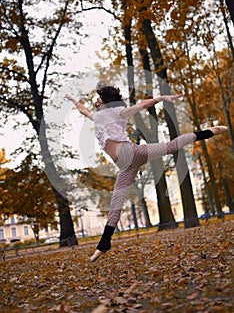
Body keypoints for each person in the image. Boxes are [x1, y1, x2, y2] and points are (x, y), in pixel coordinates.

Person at [65, 86, 228, 262]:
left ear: (105, 101)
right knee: (116, 203)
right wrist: (73, 100)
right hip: (126, 166)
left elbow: (141, 106)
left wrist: (161, 98)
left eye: (99, 99)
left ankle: (209, 132)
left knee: (171, 146)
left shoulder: (118, 112)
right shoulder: (97, 117)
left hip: (132, 153)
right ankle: (104, 244)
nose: (96, 101)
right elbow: (83, 111)